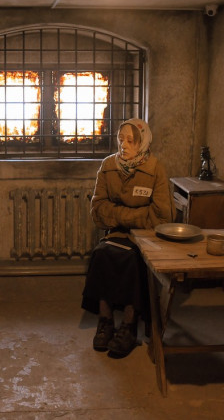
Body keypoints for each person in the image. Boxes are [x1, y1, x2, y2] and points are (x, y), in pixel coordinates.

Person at [81, 118, 173, 358]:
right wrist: (138, 214)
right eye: (121, 140)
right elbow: (98, 210)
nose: (124, 145)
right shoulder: (108, 166)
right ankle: (105, 321)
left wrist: (118, 214)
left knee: (132, 259)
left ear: (143, 142)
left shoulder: (154, 169)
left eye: (131, 141)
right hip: (116, 233)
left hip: (145, 238)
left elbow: (162, 216)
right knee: (101, 254)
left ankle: (129, 326)